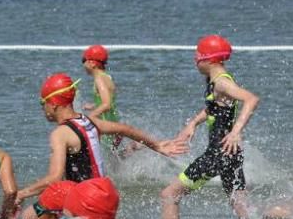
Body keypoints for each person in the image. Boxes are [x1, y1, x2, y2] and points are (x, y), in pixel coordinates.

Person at [17, 73, 186, 206]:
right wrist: (156, 145)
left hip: (87, 200)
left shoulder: (60, 134)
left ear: (53, 104)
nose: (42, 108)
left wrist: (22, 193)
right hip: (108, 195)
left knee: (31, 216)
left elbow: (54, 177)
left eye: (42, 102)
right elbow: (126, 129)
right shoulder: (89, 121)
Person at [160, 35, 260, 219]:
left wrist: (235, 132)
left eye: (198, 57)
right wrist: (193, 123)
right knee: (242, 207)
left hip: (219, 153)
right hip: (230, 153)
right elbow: (215, 107)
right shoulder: (217, 80)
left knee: (169, 194)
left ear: (208, 60)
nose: (195, 61)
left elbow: (251, 99)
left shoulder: (222, 82)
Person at [81, 44, 123, 154]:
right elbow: (109, 100)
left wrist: (90, 118)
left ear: (92, 63)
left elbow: (107, 104)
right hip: (114, 124)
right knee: (115, 160)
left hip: (108, 127)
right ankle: (133, 148)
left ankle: (134, 147)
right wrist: (94, 105)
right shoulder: (107, 77)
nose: (83, 64)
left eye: (83, 60)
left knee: (109, 159)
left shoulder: (99, 79)